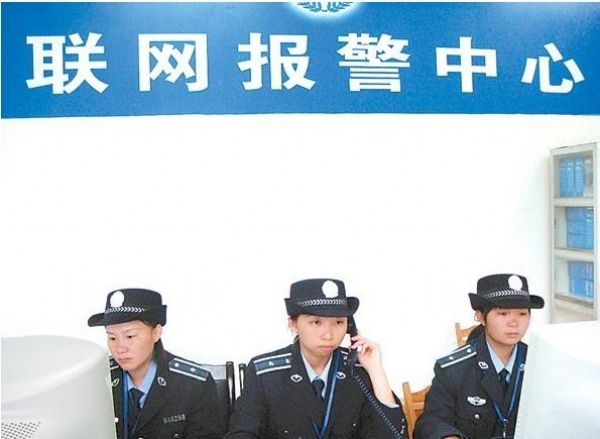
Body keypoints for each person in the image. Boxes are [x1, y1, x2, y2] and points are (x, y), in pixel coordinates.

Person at [226, 278, 407, 438]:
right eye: (316, 322)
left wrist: (376, 369)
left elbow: (393, 434)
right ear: (293, 324)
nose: (328, 335)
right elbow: (241, 432)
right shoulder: (265, 374)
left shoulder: (357, 370)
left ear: (349, 326)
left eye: (338, 322)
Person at [414, 273, 545, 439]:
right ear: (481, 317)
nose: (514, 323)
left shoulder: (540, 363)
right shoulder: (454, 370)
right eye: (503, 313)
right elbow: (431, 421)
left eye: (522, 314)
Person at [88, 288, 223, 439]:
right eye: (112, 338)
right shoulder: (98, 381)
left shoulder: (194, 385)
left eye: (130, 336)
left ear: (156, 333)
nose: (120, 348)